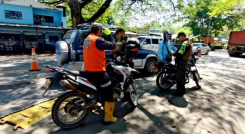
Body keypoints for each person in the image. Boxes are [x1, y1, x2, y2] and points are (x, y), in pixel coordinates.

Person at [83, 24, 117, 123]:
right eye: (101, 31)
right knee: (109, 92)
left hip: (88, 70)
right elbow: (113, 46)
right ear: (99, 30)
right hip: (98, 71)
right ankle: (108, 117)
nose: (102, 33)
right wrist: (110, 35)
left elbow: (94, 51)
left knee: (99, 89)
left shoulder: (87, 39)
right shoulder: (98, 40)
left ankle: (97, 102)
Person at [172, 32, 193, 97]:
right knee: (182, 77)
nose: (179, 38)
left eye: (180, 37)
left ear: (184, 36)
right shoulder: (188, 43)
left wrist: (173, 53)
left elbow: (180, 54)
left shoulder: (184, 44)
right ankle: (183, 90)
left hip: (182, 62)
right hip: (185, 62)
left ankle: (179, 92)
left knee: (179, 77)